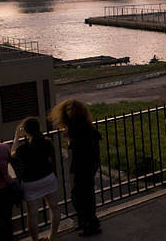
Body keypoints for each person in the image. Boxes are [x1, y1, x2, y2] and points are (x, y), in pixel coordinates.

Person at [49, 99, 102, 235]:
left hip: (83, 166)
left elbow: (78, 150)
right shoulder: (86, 127)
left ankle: (88, 224)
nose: (69, 112)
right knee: (85, 195)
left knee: (79, 197)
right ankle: (89, 222)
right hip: (88, 165)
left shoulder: (78, 129)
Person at [11, 117, 61, 241]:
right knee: (54, 207)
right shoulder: (47, 142)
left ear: (26, 131)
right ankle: (53, 236)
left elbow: (12, 153)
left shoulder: (23, 149)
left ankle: (35, 239)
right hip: (48, 177)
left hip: (31, 182)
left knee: (32, 213)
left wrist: (17, 136)